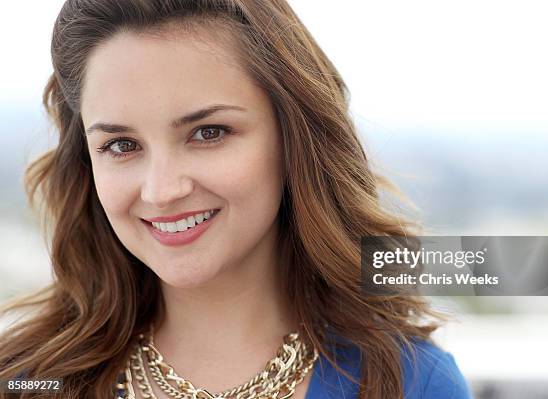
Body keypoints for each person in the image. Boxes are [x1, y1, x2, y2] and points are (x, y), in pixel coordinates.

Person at [0, 0, 472, 398]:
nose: (161, 191)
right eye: (121, 145)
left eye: (208, 132)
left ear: (293, 138)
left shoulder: (409, 383)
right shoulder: (26, 379)